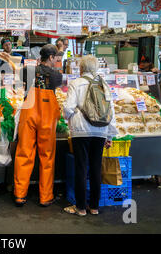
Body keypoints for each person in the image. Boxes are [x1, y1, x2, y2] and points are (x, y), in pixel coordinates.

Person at [62, 55, 118, 216]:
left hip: (81, 131)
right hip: (101, 131)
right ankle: (94, 207)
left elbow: (68, 108)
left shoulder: (76, 83)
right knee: (95, 168)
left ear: (80, 69)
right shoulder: (104, 85)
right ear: (96, 69)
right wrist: (110, 136)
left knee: (81, 168)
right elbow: (110, 112)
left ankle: (80, 208)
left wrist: (67, 118)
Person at [14, 44, 62, 207]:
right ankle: (45, 196)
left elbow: (20, 77)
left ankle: (20, 195)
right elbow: (55, 85)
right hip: (47, 118)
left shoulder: (27, 70)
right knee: (47, 157)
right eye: (56, 57)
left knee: (24, 154)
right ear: (51, 57)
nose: (57, 60)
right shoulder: (57, 75)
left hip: (29, 115)